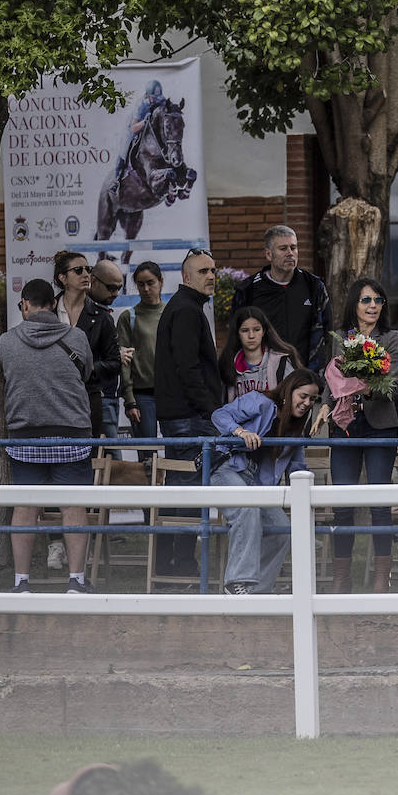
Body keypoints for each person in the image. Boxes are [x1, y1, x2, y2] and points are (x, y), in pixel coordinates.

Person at [0, 279, 95, 594]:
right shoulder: (77, 337)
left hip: (25, 435)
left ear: (25, 305)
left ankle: (21, 582)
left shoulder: (6, 342)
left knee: (25, 507)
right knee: (74, 506)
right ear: (53, 305)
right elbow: (87, 373)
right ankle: (76, 581)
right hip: (72, 435)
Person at [210, 368, 324, 594]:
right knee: (247, 509)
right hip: (226, 469)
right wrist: (241, 432)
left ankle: (257, 592)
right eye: (303, 396)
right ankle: (236, 584)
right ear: (290, 390)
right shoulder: (260, 402)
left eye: (313, 399)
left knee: (282, 528)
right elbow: (219, 415)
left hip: (255, 483)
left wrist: (309, 498)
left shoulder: (296, 433)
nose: (307, 403)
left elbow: (298, 468)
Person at [325, 277, 398, 593]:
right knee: (341, 503)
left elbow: (392, 382)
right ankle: (341, 578)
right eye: (366, 300)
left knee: (378, 503)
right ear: (354, 305)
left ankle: (381, 578)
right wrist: (332, 399)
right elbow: (332, 380)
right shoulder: (342, 338)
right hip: (344, 426)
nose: (373, 306)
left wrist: (362, 386)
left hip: (380, 426)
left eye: (378, 300)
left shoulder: (392, 337)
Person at [154, 247, 223, 577]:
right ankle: (181, 565)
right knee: (188, 490)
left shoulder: (187, 307)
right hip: (188, 416)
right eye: (203, 271)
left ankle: (170, 563)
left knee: (179, 488)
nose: (211, 276)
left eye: (213, 270)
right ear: (186, 277)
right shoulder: (186, 310)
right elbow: (188, 368)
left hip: (182, 415)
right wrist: (214, 411)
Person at [231, 225, 332, 372]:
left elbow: (327, 333)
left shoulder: (314, 286)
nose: (290, 253)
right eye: (283, 249)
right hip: (263, 377)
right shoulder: (247, 290)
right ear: (268, 254)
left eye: (294, 247)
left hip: (305, 376)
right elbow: (236, 337)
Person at [53, 251, 120, 443]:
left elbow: (114, 363)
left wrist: (91, 368)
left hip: (87, 399)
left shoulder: (102, 316)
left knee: (87, 461)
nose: (86, 274)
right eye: (78, 270)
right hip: (52, 398)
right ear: (63, 278)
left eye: (88, 269)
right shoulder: (48, 311)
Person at [117, 261, 165, 451]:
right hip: (142, 395)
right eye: (140, 284)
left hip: (170, 394)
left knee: (176, 452)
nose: (145, 289)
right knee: (147, 454)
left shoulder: (171, 313)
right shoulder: (129, 317)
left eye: (150, 283)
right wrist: (130, 400)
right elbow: (124, 362)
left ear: (161, 281)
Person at [86, 258, 134, 439]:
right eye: (111, 288)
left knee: (110, 454)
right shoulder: (85, 312)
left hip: (109, 395)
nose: (115, 294)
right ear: (94, 281)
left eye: (119, 288)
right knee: (110, 454)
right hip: (97, 395)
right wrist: (115, 357)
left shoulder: (102, 313)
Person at [219, 306, 302, 402]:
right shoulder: (227, 365)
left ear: (264, 331)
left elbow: (296, 398)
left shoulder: (281, 363)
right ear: (237, 334)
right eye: (245, 330)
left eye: (256, 329)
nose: (251, 336)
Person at [110, 79, 165, 192]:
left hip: (150, 129)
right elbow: (133, 128)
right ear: (148, 96)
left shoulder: (160, 100)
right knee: (124, 151)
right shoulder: (142, 105)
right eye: (154, 98)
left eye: (157, 98)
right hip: (134, 128)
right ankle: (117, 180)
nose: (156, 101)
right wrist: (144, 122)